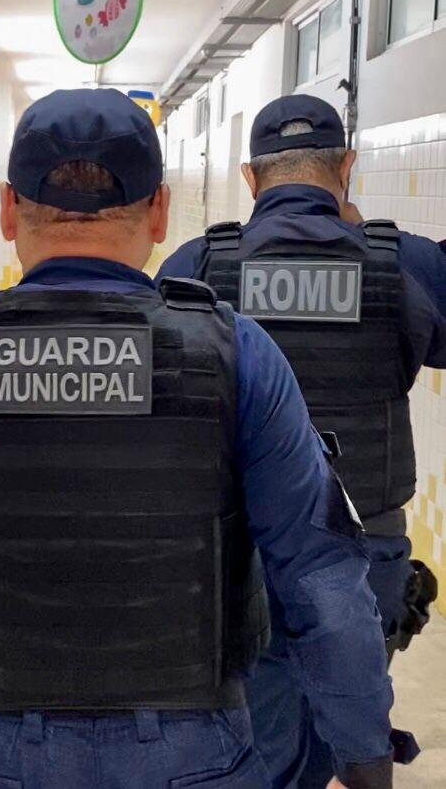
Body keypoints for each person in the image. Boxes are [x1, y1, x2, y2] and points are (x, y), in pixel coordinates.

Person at [0, 89, 394, 789]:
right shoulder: (233, 353)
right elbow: (321, 576)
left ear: (6, 209)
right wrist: (361, 757)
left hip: (6, 751)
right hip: (200, 752)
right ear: (159, 212)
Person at [157, 94, 446, 788]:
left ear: (250, 178)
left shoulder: (199, 267)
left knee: (255, 734)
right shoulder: (404, 264)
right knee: (347, 718)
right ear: (347, 166)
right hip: (365, 549)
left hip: (239, 550)